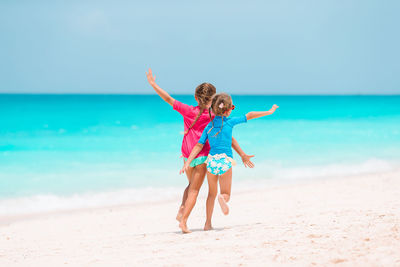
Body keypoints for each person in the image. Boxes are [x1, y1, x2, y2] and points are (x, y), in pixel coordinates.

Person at [146, 69, 254, 227]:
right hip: (203, 155)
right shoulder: (215, 115)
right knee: (195, 190)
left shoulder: (188, 110)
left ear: (196, 97)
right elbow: (228, 136)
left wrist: (153, 84)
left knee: (190, 186)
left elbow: (168, 98)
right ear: (215, 99)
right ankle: (184, 220)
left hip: (187, 153)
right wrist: (242, 153)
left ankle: (182, 208)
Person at [180, 93, 278, 232]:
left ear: (213, 109)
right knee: (226, 193)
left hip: (211, 162)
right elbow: (249, 115)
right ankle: (223, 198)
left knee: (211, 194)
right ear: (228, 110)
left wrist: (187, 162)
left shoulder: (209, 126)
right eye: (232, 107)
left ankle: (207, 224)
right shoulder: (230, 122)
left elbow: (198, 146)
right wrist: (269, 111)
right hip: (225, 161)